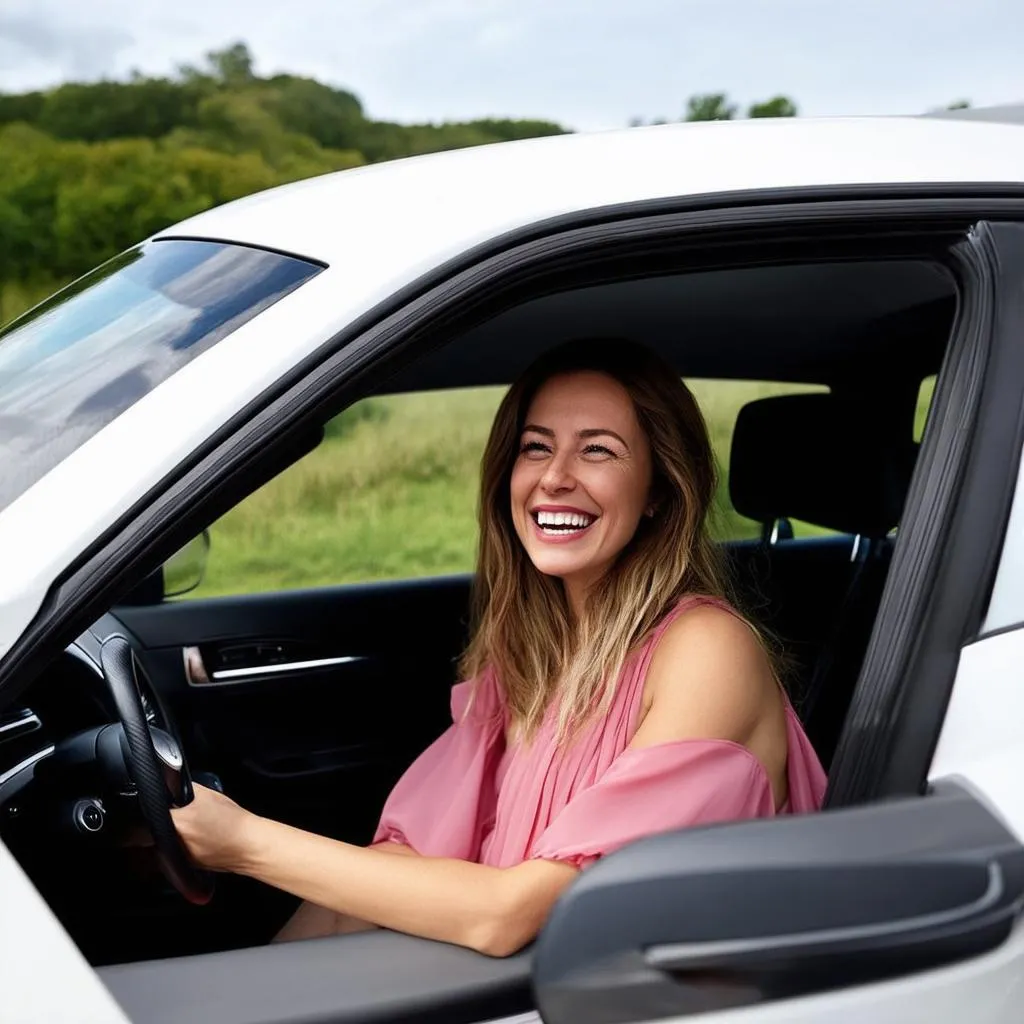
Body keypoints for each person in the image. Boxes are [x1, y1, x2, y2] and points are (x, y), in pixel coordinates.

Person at [171, 338, 827, 957]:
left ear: (658, 490)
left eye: (597, 451)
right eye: (536, 447)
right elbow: (396, 874)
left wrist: (245, 843)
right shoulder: (526, 665)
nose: (555, 478)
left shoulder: (706, 649)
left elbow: (515, 915)